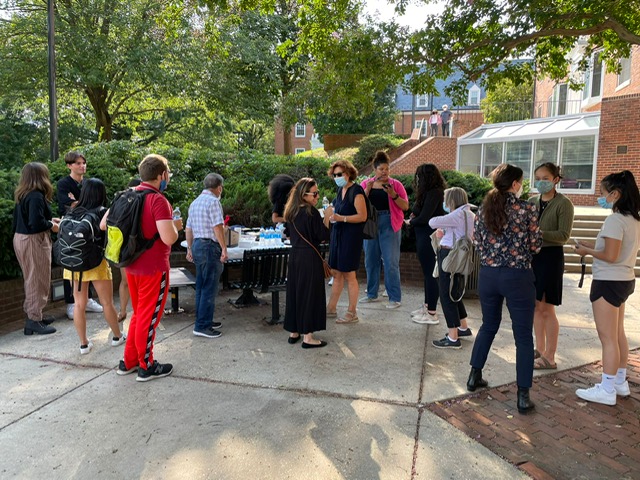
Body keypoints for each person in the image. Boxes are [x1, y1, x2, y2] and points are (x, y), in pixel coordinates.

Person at [468, 164, 542, 414]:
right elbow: (536, 244)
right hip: (518, 275)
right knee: (522, 335)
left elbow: (476, 241)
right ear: (514, 184)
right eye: (521, 181)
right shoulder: (527, 208)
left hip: (488, 275)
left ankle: (474, 375)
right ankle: (522, 395)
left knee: (488, 325)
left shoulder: (484, 208)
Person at [113, 154, 182, 381]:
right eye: (167, 174)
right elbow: (169, 237)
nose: (168, 178)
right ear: (161, 175)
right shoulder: (158, 201)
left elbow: (105, 223)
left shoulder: (128, 196)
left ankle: (129, 361)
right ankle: (147, 365)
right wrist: (176, 226)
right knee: (149, 317)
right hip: (153, 268)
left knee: (139, 314)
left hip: (131, 265)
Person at [574, 171, 640, 406]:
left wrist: (586, 251)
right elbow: (615, 250)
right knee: (618, 334)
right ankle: (619, 382)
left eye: (603, 193)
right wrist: (592, 246)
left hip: (609, 281)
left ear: (615, 194)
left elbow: (610, 255)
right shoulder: (632, 219)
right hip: (624, 280)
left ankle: (607, 388)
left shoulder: (615, 219)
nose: (600, 197)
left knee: (607, 338)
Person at [63, 179, 126, 355]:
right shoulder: (102, 212)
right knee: (106, 302)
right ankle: (117, 336)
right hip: (96, 263)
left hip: (73, 263)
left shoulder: (72, 211)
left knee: (78, 304)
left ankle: (83, 344)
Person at [529, 163, 574, 370]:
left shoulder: (564, 204)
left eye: (545, 178)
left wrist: (538, 234)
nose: (541, 182)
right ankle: (539, 349)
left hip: (550, 258)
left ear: (556, 179)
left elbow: (563, 236)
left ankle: (550, 356)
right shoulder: (532, 201)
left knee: (547, 308)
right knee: (536, 307)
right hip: (533, 258)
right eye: (538, 177)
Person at [12, 163, 60, 335]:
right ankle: (33, 320)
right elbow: (36, 223)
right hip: (33, 240)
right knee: (36, 279)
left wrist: (50, 219)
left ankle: (36, 316)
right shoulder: (35, 196)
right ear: (41, 176)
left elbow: (31, 218)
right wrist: (52, 226)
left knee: (33, 277)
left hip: (23, 238)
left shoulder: (24, 194)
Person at [283, 178, 331, 347]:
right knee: (310, 294)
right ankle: (308, 337)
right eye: (315, 193)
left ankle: (294, 331)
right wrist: (328, 218)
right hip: (309, 257)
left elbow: (287, 234)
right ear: (304, 194)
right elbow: (323, 235)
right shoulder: (311, 212)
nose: (317, 196)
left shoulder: (291, 211)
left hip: (295, 255)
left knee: (295, 292)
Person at [360, 151, 409, 309]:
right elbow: (358, 205)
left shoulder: (396, 185)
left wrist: (393, 195)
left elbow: (405, 206)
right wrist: (366, 191)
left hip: (390, 222)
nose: (384, 172)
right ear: (374, 169)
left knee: (390, 261)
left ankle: (394, 298)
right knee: (370, 260)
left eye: (387, 169)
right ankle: (371, 294)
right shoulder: (365, 184)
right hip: (371, 223)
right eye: (381, 169)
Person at [57, 151, 103, 319]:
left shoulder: (88, 184)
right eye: (77, 163)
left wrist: (76, 202)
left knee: (88, 261)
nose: (82, 166)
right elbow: (66, 207)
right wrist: (80, 204)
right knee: (71, 262)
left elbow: (92, 205)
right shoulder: (63, 184)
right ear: (69, 165)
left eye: (83, 162)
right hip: (71, 230)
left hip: (88, 230)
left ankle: (88, 299)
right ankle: (71, 303)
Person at [428, 187, 475, 348]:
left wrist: (444, 225)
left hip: (449, 256)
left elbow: (432, 222)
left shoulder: (456, 215)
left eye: (446, 199)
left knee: (446, 295)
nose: (444, 203)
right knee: (455, 292)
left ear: (452, 200)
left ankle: (453, 337)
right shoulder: (469, 214)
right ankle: (463, 327)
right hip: (461, 256)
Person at [185, 173, 228, 339]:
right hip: (210, 246)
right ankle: (202, 325)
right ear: (219, 187)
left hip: (197, 245)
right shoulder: (213, 202)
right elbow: (217, 227)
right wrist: (224, 248)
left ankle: (203, 320)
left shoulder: (195, 203)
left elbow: (188, 228)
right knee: (210, 287)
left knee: (202, 286)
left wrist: (189, 248)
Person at [325, 160, 367, 324]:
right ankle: (331, 308)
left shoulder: (356, 191)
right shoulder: (339, 190)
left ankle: (352, 312)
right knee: (336, 272)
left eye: (340, 174)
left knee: (349, 274)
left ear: (348, 174)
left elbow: (362, 216)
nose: (336, 177)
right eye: (334, 175)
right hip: (338, 235)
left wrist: (341, 218)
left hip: (351, 237)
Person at [406, 163, 445, 324]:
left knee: (431, 274)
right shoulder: (428, 193)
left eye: (419, 176)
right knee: (427, 273)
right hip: (423, 236)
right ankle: (427, 305)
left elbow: (425, 218)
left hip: (429, 236)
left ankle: (432, 312)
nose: (417, 179)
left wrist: (410, 221)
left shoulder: (435, 193)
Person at [117, 178, 142, 322]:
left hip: (122, 248)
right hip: (135, 248)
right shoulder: (140, 202)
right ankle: (136, 312)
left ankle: (123, 311)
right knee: (133, 282)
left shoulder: (119, 202)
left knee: (125, 281)